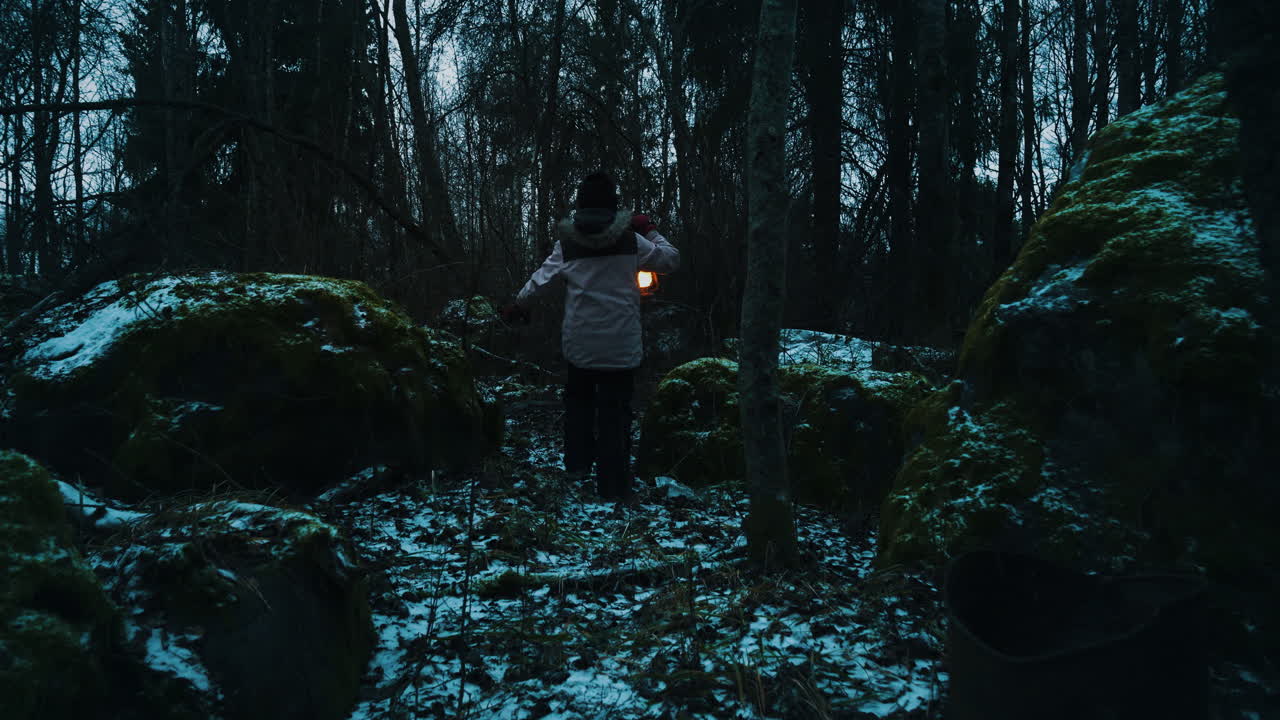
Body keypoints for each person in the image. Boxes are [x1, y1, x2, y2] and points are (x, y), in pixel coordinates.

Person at [503, 172, 680, 500]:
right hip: (621, 346)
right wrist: (650, 229)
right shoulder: (632, 241)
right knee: (616, 412)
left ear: (580, 206)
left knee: (579, 407)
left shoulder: (567, 244)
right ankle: (613, 485)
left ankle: (578, 473)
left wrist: (517, 304)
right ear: (613, 206)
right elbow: (671, 259)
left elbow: (540, 281)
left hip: (580, 345)